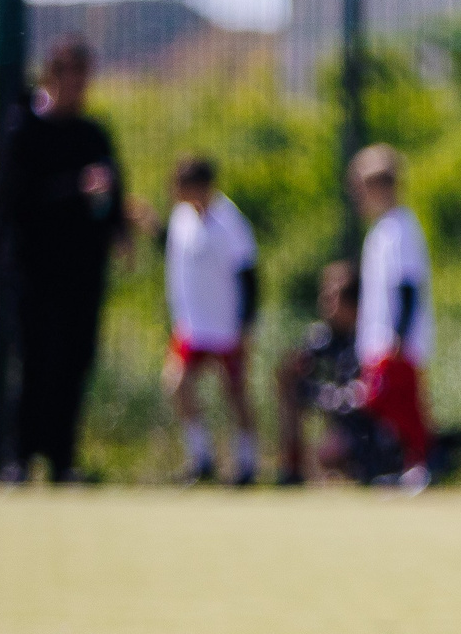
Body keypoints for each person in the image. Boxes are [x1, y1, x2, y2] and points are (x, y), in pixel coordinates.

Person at [0, 37, 128, 483]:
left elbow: (113, 191)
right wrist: (75, 188)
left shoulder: (93, 134)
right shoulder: (23, 131)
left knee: (75, 361)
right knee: (34, 360)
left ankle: (62, 460)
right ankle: (18, 458)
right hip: (34, 271)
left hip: (83, 272)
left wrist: (118, 228)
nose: (82, 87)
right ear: (54, 75)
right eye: (75, 77)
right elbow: (16, 201)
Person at [162, 155, 261, 486]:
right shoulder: (180, 218)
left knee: (235, 392)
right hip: (192, 325)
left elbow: (249, 277)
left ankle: (247, 462)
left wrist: (245, 326)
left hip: (226, 325)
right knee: (176, 383)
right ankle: (201, 457)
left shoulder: (230, 221)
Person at [349, 145, 435, 488]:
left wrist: (398, 337)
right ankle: (402, 464)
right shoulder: (382, 230)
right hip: (380, 337)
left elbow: (408, 286)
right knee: (384, 405)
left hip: (397, 341)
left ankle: (421, 463)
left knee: (401, 405)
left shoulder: (401, 228)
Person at [274, 262, 393, 485]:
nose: (325, 303)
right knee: (288, 382)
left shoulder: (368, 338)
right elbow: (299, 371)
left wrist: (323, 394)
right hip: (339, 413)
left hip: (367, 425)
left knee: (334, 451)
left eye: (332, 297)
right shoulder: (323, 337)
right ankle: (293, 464)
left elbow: (361, 395)